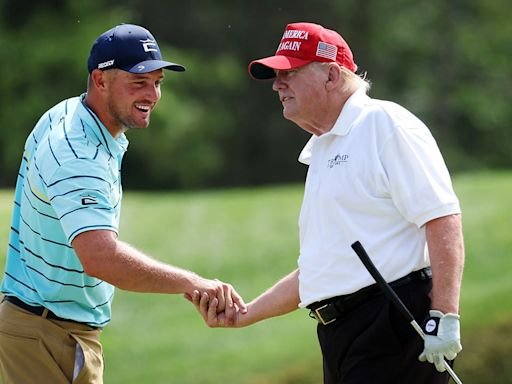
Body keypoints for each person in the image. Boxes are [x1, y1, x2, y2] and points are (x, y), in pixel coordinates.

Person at [190, 22, 464, 384]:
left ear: (332, 76)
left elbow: (442, 218)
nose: (277, 85)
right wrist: (246, 314)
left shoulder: (385, 124)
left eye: (290, 72)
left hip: (394, 319)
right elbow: (321, 269)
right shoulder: (324, 146)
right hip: (341, 334)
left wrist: (444, 315)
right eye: (276, 75)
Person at [0, 23, 245, 384]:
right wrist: (193, 282)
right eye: (139, 83)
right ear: (100, 81)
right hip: (47, 335)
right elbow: (100, 257)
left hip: (47, 329)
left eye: (157, 82)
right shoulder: (76, 151)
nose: (153, 94)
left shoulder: (73, 116)